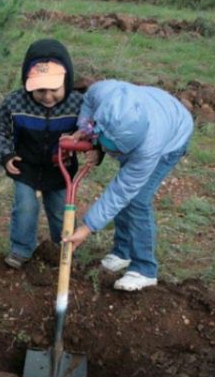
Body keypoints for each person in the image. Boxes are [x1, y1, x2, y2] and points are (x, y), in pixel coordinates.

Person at [62, 79, 194, 291]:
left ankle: (145, 269)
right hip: (153, 106)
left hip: (173, 135)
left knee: (137, 199)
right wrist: (86, 131)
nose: (112, 153)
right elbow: (88, 101)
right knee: (127, 197)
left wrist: (87, 227)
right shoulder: (104, 93)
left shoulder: (148, 148)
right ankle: (122, 252)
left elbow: (122, 191)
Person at [0, 39, 90, 269]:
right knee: (25, 207)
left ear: (67, 82)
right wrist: (6, 155)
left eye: (54, 90)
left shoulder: (78, 104)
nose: (47, 97)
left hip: (60, 168)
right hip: (26, 165)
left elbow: (90, 131)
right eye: (40, 90)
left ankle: (64, 249)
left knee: (61, 211)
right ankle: (21, 249)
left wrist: (89, 145)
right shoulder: (15, 102)